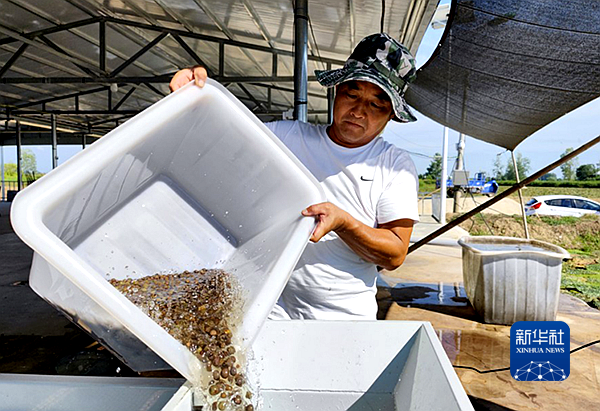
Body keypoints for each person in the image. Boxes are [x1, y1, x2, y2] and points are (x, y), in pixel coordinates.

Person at [170, 33, 419, 320]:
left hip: (340, 318)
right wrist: (195, 96)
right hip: (264, 306)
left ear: (391, 115)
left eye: (376, 104)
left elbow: (395, 253)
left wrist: (345, 223)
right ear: (336, 91)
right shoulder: (286, 137)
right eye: (352, 94)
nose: (359, 111)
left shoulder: (394, 165)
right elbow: (217, 136)